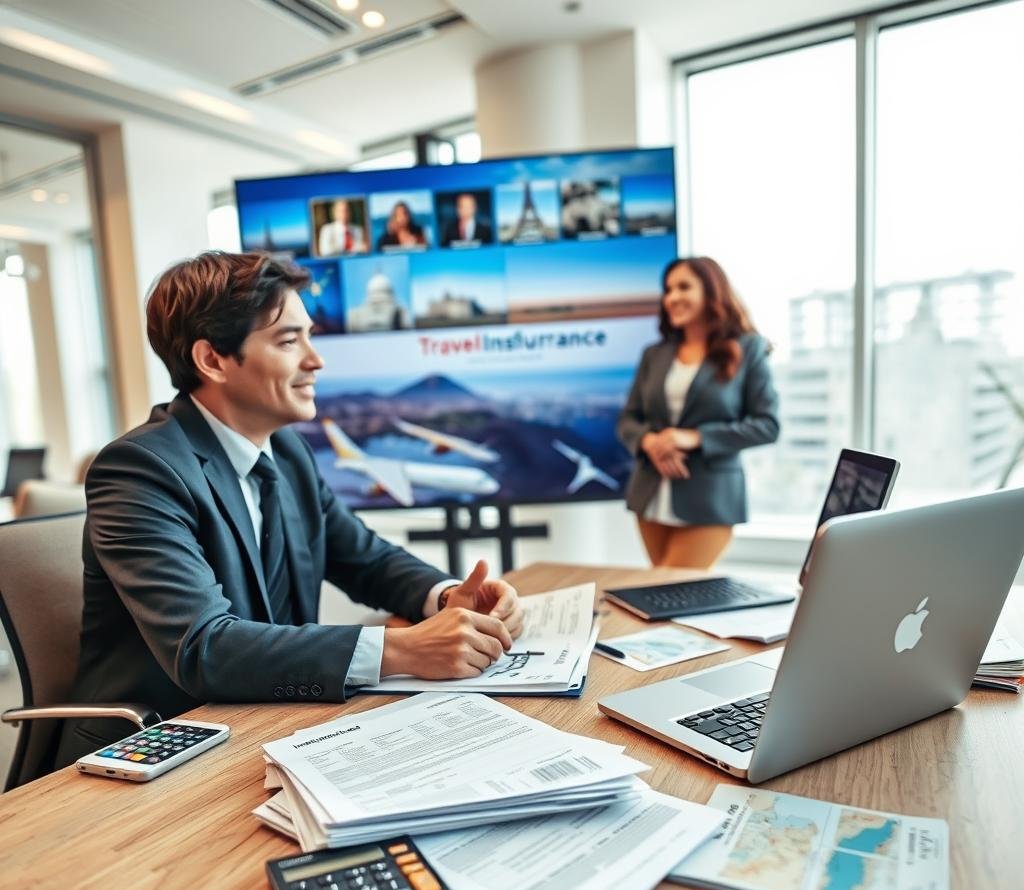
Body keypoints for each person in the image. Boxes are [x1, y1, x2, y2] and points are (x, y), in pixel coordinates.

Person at [55, 251, 523, 768]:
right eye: (287, 341)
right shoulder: (140, 469)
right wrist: (402, 650)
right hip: (153, 751)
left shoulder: (288, 451)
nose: (315, 360)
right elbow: (204, 647)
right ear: (212, 360)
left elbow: (365, 558)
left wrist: (447, 597)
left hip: (267, 726)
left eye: (309, 335)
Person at [617, 256, 780, 569]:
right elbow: (628, 419)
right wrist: (650, 442)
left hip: (711, 497)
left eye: (683, 287)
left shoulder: (749, 349)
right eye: (668, 289)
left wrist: (691, 437)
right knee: (663, 593)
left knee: (671, 589)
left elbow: (767, 425)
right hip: (650, 494)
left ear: (710, 290)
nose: (672, 297)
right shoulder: (655, 354)